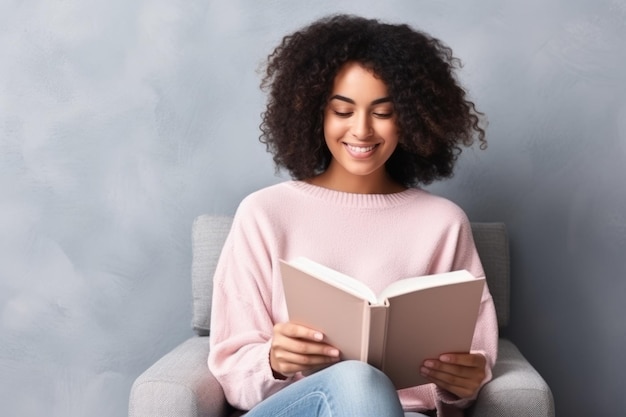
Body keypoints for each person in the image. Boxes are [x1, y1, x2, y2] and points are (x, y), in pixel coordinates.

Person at [208, 14, 498, 417]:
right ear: (315, 115)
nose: (361, 131)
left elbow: (473, 362)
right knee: (356, 378)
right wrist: (275, 360)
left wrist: (463, 384)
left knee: (367, 389)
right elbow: (232, 375)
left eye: (383, 112)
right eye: (343, 111)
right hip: (294, 410)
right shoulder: (264, 214)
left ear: (411, 120)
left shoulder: (443, 223)